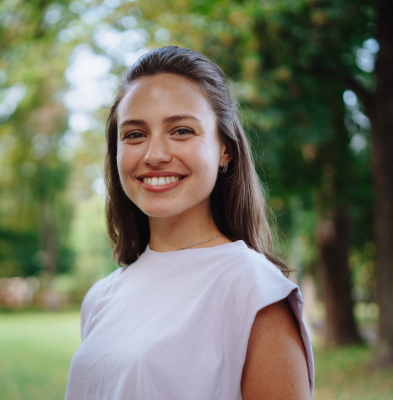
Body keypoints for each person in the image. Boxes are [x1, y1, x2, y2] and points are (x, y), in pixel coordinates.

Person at [64, 46, 314, 400]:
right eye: (135, 134)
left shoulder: (254, 291)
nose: (155, 155)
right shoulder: (101, 297)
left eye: (181, 131)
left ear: (224, 148)